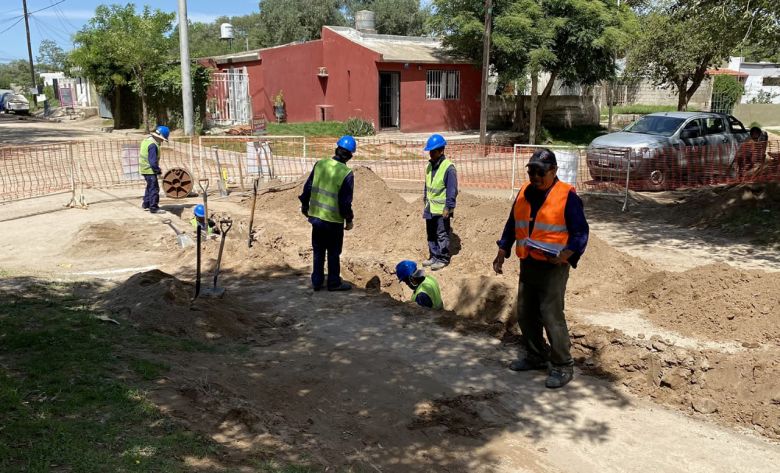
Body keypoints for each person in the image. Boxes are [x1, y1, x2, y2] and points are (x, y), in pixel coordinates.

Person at [492, 148, 589, 389]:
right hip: (529, 262)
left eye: (540, 171)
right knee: (525, 312)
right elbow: (513, 223)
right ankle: (536, 354)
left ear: (553, 171)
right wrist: (503, 249)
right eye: (531, 170)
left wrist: (568, 253)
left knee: (551, 314)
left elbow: (580, 232)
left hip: (553, 267)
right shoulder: (525, 192)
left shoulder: (567, 196)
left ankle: (562, 364)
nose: (535, 176)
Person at [298, 135, 356, 292]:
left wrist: (304, 205)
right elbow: (345, 203)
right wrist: (349, 220)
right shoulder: (346, 173)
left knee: (318, 251)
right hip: (334, 222)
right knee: (333, 253)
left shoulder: (320, 164)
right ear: (350, 156)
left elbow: (308, 187)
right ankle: (333, 282)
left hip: (316, 218)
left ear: (336, 149)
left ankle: (317, 281)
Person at [422, 134, 458, 271]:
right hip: (430, 207)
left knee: (441, 234)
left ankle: (442, 258)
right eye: (430, 151)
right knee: (431, 233)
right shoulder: (429, 166)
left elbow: (452, 190)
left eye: (433, 151)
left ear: (441, 151)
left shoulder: (449, 168)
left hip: (442, 209)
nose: (430, 154)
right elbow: (427, 185)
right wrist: (425, 199)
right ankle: (434, 256)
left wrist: (448, 207)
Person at [140, 125, 170, 214]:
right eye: (162, 139)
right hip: (149, 170)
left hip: (144, 169)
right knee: (154, 189)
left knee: (149, 187)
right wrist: (158, 171)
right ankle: (153, 207)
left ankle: (146, 204)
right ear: (159, 137)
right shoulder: (153, 145)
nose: (162, 141)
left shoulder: (147, 141)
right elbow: (152, 161)